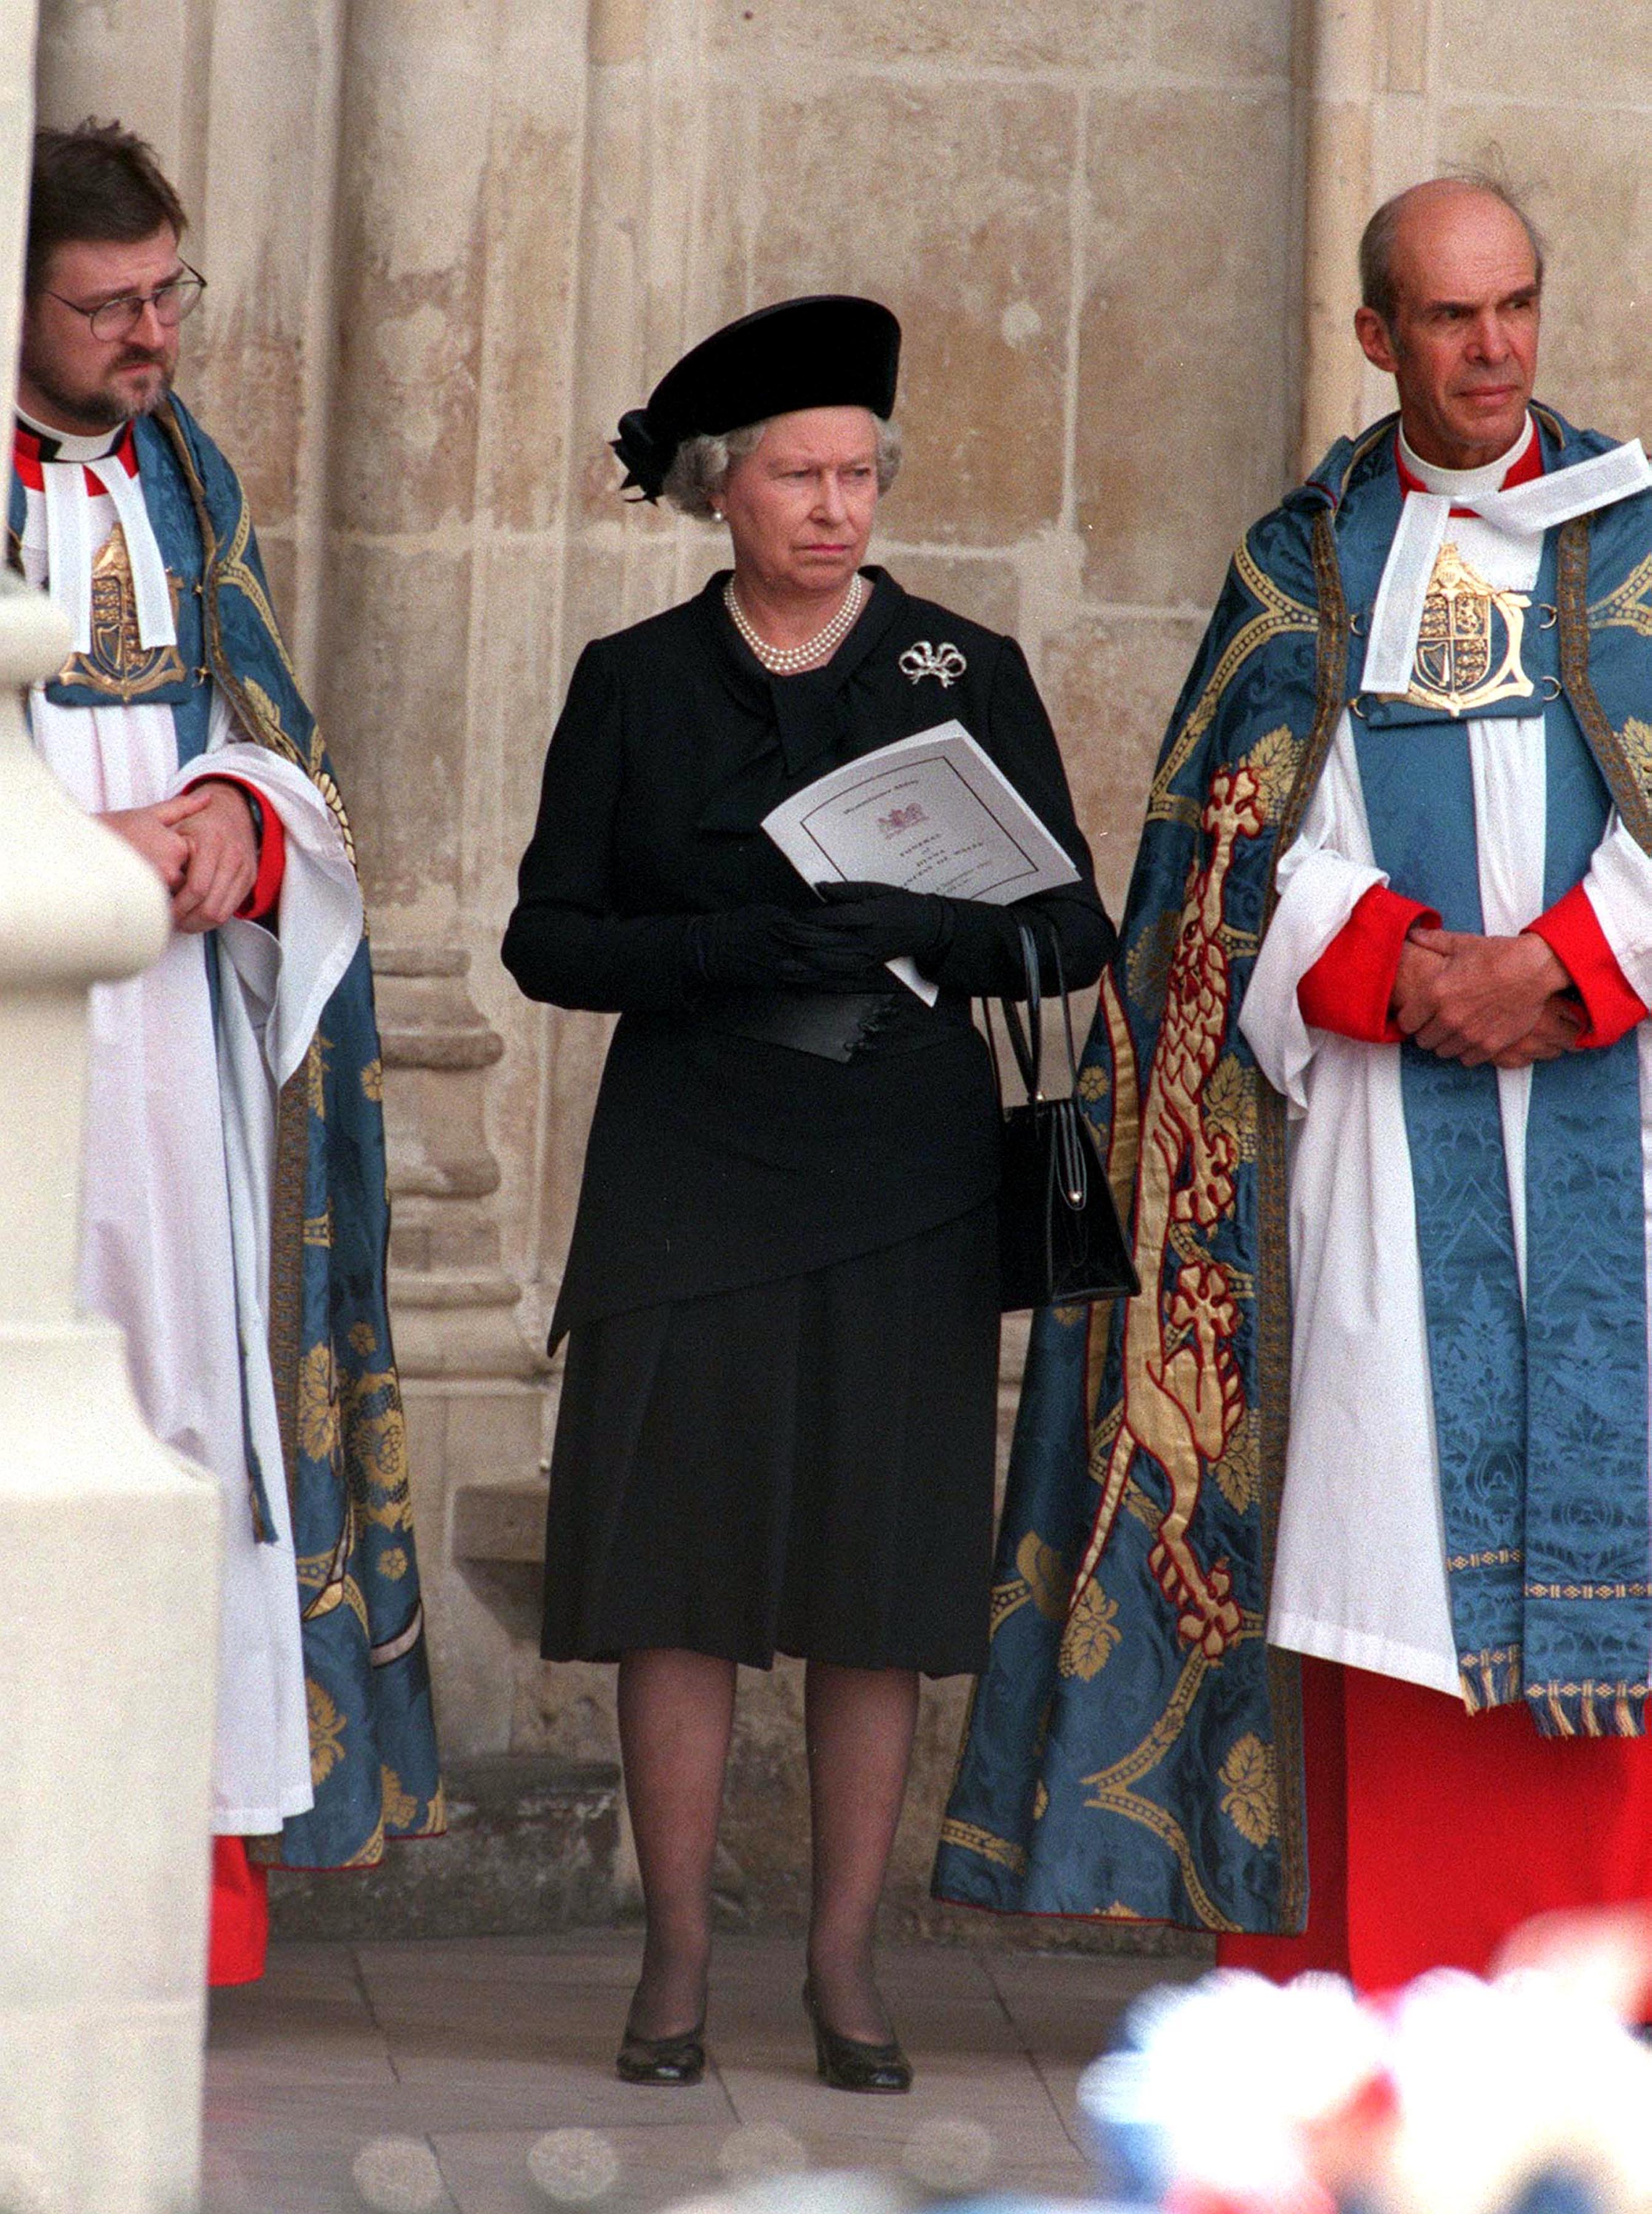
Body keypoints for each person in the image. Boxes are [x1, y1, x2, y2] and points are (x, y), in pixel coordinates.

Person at [934, 175, 1652, 1988]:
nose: (1493, 351)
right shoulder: (1305, 567)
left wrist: (1567, 968)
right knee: (1378, 1541)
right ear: (1375, 336)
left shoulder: (1639, 548)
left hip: (1614, 1124)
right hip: (1382, 1164)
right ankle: (1384, 1985)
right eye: (1449, 318)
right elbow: (1229, 863)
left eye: (1516, 310)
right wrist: (1407, 971)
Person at [503, 294, 1113, 2086]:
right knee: (676, 1578)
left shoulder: (962, 668)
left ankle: (847, 1966)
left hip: (904, 1171)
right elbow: (547, 934)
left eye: (860, 473)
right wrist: (715, 948)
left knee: (878, 1583)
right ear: (721, 489)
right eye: (799, 473)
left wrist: (943, 924)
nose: (837, 506)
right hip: (692, 1168)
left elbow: (1071, 927)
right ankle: (678, 1960)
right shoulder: (634, 681)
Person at [14, 120, 443, 1983]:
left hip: (178, 1061)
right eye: (109, 304)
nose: (152, 336)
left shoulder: (193, 480)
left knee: (185, 1410)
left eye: (166, 293)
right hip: (26, 1039)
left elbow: (277, 732)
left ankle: (167, 1918)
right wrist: (57, 849)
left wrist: (226, 821)